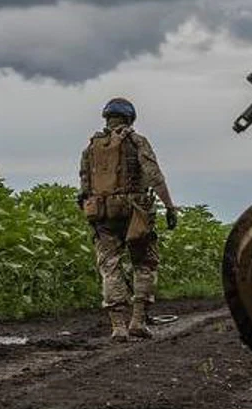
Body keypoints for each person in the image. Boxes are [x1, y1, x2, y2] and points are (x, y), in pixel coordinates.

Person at [76, 97, 180, 342]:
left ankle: (118, 326)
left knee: (109, 267)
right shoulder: (137, 142)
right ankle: (138, 321)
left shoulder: (91, 148)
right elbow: (155, 176)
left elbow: (83, 186)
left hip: (102, 214)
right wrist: (169, 206)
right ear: (130, 118)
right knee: (144, 264)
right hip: (136, 213)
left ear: (107, 118)